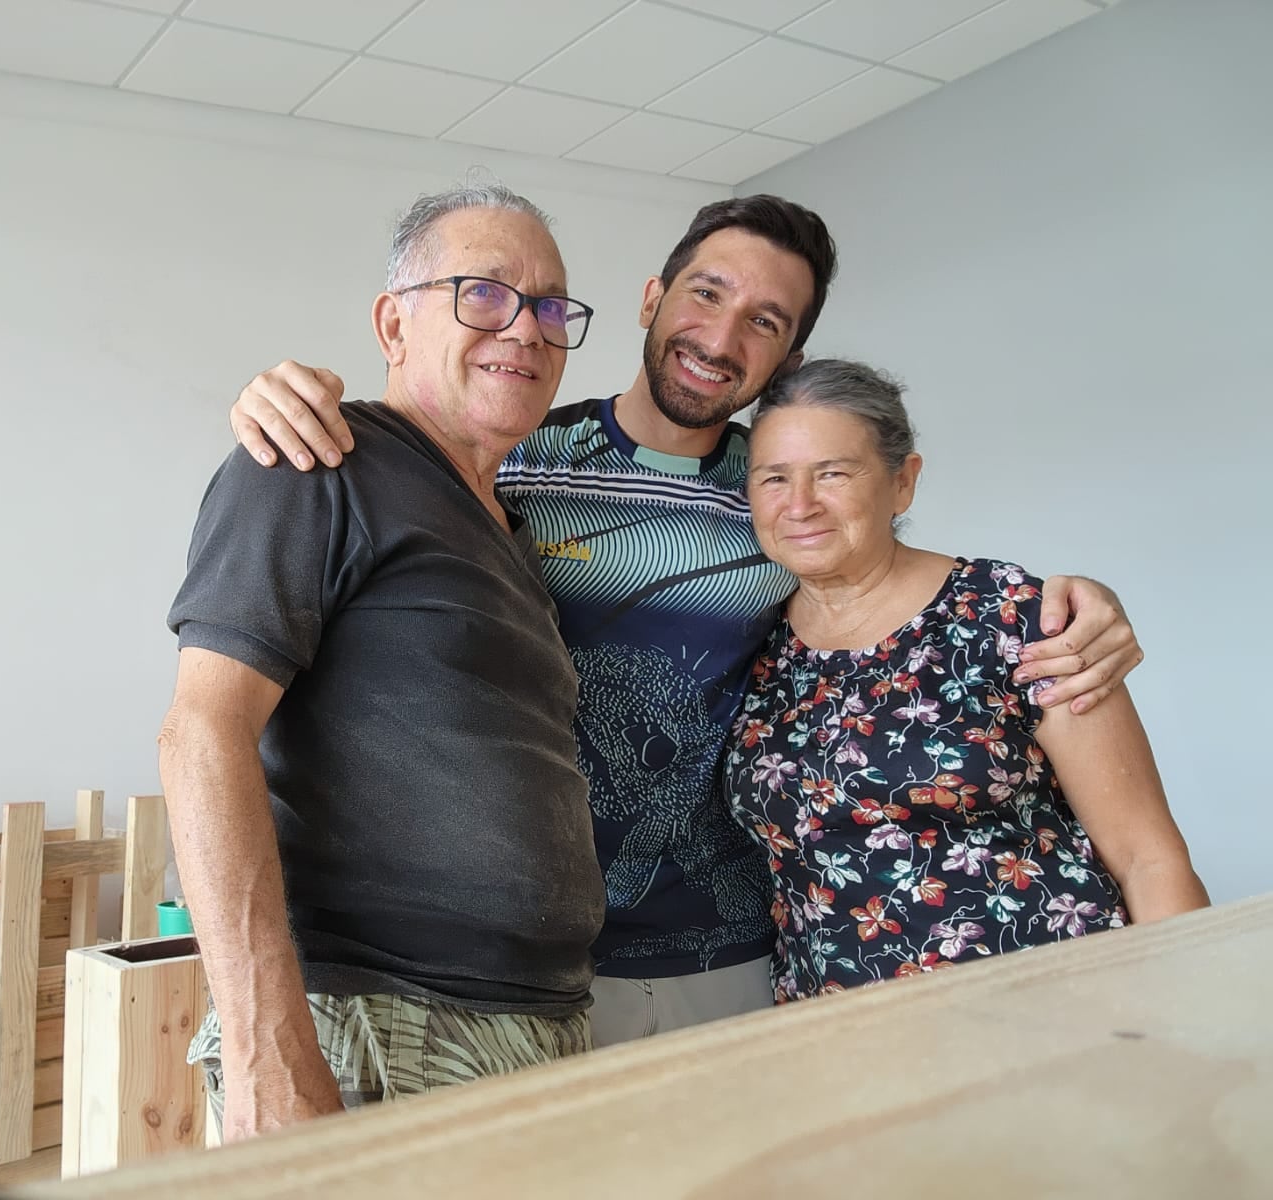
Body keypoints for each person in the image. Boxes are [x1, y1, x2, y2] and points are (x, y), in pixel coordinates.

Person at [223, 195, 1146, 1045]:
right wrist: (277, 398)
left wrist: (1069, 600)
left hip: (733, 946)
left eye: (766, 322)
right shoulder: (511, 455)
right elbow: (387, 474)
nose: (720, 336)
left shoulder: (774, 493)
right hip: (519, 963)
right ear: (652, 297)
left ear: (784, 359)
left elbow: (887, 592)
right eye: (706, 294)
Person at [158, 182, 605, 1142]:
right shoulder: (314, 461)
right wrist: (264, 1050)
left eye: (551, 308)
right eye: (483, 293)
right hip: (374, 1025)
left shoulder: (508, 526)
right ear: (391, 324)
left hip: (528, 1026)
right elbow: (200, 733)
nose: (524, 330)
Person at [727, 359, 1208, 999]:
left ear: (904, 483)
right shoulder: (751, 643)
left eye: (834, 474)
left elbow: (1148, 857)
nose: (800, 505)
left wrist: (1195, 1016)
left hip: (1061, 1013)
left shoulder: (1018, 617)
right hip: (842, 1047)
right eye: (774, 478)